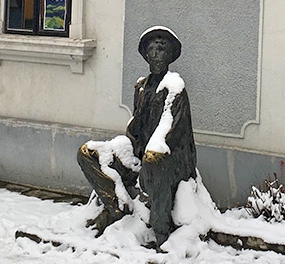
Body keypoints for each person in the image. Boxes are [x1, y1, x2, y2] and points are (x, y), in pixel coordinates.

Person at [77, 26, 197, 244]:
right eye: (153, 48)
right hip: (140, 154)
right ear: (146, 54)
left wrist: (151, 152)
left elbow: (170, 131)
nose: (157, 52)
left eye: (163, 48)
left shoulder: (175, 88)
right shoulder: (141, 87)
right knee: (88, 153)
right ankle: (118, 208)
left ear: (170, 55)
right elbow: (135, 127)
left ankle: (161, 232)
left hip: (171, 160)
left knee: (153, 159)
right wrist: (127, 149)